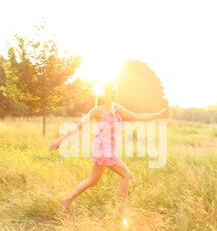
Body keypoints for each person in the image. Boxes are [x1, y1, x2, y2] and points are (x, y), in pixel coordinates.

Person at [49, 84, 168, 213]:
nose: (115, 93)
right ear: (106, 92)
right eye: (112, 91)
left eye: (116, 91)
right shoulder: (98, 110)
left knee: (92, 180)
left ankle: (67, 200)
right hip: (102, 149)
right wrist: (60, 141)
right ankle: (119, 210)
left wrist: (157, 115)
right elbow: (78, 126)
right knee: (126, 175)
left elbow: (136, 116)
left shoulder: (117, 109)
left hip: (108, 149)